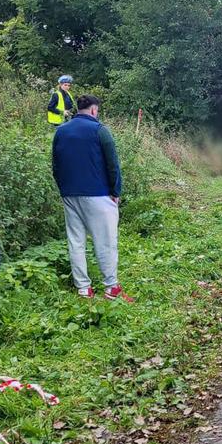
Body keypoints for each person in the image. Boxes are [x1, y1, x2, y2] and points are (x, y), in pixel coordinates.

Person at [51, 95, 134, 302]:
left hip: (70, 194)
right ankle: (111, 287)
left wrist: (64, 189)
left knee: (76, 241)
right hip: (98, 194)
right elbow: (112, 164)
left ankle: (83, 289)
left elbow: (55, 164)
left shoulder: (60, 131)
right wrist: (115, 192)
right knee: (105, 241)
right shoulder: (100, 131)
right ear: (94, 110)